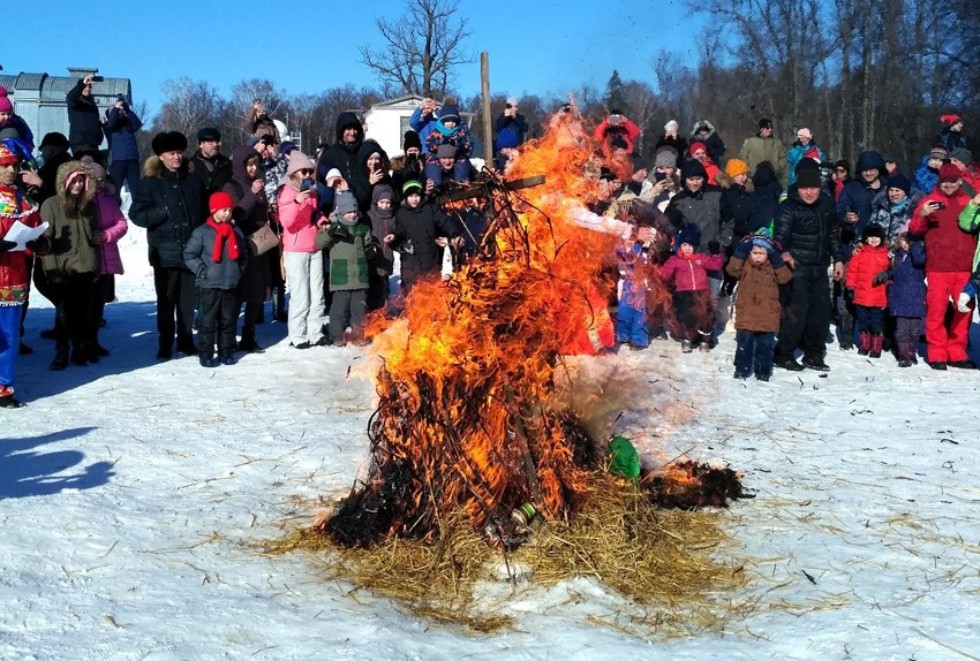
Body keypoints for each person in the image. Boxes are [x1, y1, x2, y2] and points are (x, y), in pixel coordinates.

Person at [129, 131, 207, 361]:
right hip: (164, 253)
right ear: (161, 156)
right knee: (166, 302)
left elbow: (202, 212)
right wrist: (161, 213)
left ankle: (185, 341)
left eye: (179, 152)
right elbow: (136, 214)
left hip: (191, 251)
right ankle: (165, 343)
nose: (177, 157)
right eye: (172, 153)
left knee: (187, 302)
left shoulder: (193, 180)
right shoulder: (150, 183)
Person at [772, 167, 844, 371]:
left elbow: (832, 236)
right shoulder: (788, 208)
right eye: (805, 188)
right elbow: (779, 238)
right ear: (798, 188)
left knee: (820, 313)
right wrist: (784, 253)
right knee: (796, 313)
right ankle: (783, 354)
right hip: (797, 268)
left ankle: (814, 354)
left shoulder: (827, 205)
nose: (809, 192)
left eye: (813, 188)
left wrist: (838, 259)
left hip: (819, 266)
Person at [907, 163, 976, 369]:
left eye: (952, 181)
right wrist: (921, 215)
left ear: (960, 181)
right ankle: (937, 353)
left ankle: (957, 351)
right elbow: (915, 231)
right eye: (944, 182)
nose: (948, 185)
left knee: (964, 310)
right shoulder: (929, 201)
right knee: (936, 310)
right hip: (938, 267)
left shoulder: (969, 201)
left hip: (965, 266)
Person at [38, 162, 101, 369]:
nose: (78, 184)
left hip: (86, 267)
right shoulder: (51, 205)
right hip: (63, 268)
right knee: (64, 313)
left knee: (84, 312)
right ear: (65, 181)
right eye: (74, 180)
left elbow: (94, 236)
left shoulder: (89, 205)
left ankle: (80, 348)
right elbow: (45, 240)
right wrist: (51, 269)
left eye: (81, 180)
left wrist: (96, 264)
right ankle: (61, 351)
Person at [0, 142, 43, 407]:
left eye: (14, 165)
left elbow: (36, 229)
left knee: (10, 334)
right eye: (5, 166)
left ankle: (4, 386)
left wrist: (39, 243)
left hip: (14, 278)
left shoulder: (23, 199)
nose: (11, 170)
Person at [183, 192, 247, 367]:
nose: (227, 213)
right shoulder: (203, 232)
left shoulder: (236, 231)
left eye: (229, 210)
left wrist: (239, 270)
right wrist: (202, 271)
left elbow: (244, 254)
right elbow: (189, 255)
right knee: (207, 321)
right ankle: (206, 353)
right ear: (213, 210)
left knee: (228, 321)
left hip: (231, 284)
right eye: (223, 210)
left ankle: (226, 352)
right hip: (210, 284)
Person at [223, 145, 271, 353]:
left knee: (256, 293)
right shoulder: (231, 186)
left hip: (259, 244)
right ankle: (229, 336)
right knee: (237, 292)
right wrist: (252, 194)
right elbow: (237, 214)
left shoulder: (258, 184)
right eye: (249, 165)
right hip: (240, 245)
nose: (253, 169)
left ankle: (249, 335)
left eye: (255, 165)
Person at [279, 150, 328, 349]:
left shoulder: (313, 192)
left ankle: (315, 332)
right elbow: (287, 222)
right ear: (293, 173)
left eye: (309, 171)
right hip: (295, 249)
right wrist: (298, 201)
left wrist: (321, 219)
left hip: (314, 245)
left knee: (317, 292)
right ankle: (297, 334)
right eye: (303, 171)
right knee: (300, 294)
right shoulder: (287, 192)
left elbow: (314, 213)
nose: (307, 175)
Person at [726, 233, 792, 380]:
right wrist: (740, 253)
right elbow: (732, 270)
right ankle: (741, 369)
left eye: (762, 253)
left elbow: (785, 278)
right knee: (744, 344)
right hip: (747, 312)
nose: (758, 256)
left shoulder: (773, 266)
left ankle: (763, 371)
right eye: (754, 252)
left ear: (769, 254)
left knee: (765, 346)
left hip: (768, 313)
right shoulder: (745, 265)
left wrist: (777, 261)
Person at [384, 180, 463, 296]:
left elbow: (444, 221)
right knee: (412, 293)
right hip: (410, 260)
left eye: (417, 196)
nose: (414, 199)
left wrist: (455, 233)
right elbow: (400, 229)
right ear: (406, 197)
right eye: (411, 196)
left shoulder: (430, 209)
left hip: (429, 256)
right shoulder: (401, 213)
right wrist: (394, 235)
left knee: (431, 292)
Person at [321, 191, 376, 346]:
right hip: (341, 276)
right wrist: (330, 232)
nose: (352, 215)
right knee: (339, 309)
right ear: (340, 212)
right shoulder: (333, 227)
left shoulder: (362, 228)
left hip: (360, 276)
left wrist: (372, 250)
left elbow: (368, 246)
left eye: (354, 212)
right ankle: (337, 336)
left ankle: (359, 336)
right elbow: (319, 242)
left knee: (359, 309)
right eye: (348, 212)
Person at [659, 223, 724, 353]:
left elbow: (715, 265)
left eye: (690, 245)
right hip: (683, 293)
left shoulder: (700, 258)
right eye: (684, 245)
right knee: (686, 316)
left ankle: (704, 340)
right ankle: (687, 339)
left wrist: (716, 253)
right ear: (679, 246)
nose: (687, 248)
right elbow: (664, 274)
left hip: (702, 292)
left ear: (695, 246)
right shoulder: (675, 260)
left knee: (706, 316)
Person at [87, 163, 127, 356]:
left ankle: (93, 341)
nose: (100, 184)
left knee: (97, 305)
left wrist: (107, 235)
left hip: (105, 259)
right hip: (85, 261)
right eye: (96, 180)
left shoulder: (109, 200)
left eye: (103, 180)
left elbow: (122, 223)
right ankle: (80, 342)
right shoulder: (79, 200)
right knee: (84, 305)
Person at [875, 233, 926, 367]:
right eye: (903, 241)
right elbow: (893, 272)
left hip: (915, 298)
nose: (905, 244)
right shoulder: (897, 257)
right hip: (900, 298)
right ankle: (903, 355)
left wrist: (915, 246)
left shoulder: (918, 256)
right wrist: (885, 274)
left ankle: (911, 352)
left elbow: (920, 260)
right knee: (902, 329)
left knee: (915, 330)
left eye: (908, 242)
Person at [844, 225, 891, 358]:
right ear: (865, 238)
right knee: (863, 321)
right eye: (870, 237)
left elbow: (891, 273)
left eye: (877, 237)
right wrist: (850, 287)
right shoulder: (860, 254)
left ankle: (876, 347)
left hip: (878, 297)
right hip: (861, 296)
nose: (873, 239)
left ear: (881, 239)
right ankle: (865, 345)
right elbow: (852, 272)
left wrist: (887, 281)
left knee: (876, 323)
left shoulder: (886, 255)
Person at [423, 104, 473, 189]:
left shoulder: (460, 132)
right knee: (431, 162)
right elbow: (428, 143)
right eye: (448, 121)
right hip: (438, 155)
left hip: (456, 155)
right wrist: (438, 142)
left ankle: (460, 183)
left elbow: (467, 145)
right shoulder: (436, 132)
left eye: (454, 122)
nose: (451, 124)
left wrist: (458, 144)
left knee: (463, 161)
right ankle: (435, 185)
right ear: (443, 121)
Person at [102, 94, 142, 195]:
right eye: (115, 111)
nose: (118, 112)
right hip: (117, 161)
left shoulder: (129, 125)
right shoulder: (108, 127)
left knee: (137, 190)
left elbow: (138, 124)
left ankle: (137, 209)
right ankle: (113, 209)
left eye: (119, 111)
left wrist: (127, 110)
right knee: (115, 190)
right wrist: (115, 108)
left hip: (132, 160)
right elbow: (111, 124)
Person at [367, 184, 396, 312]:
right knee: (373, 286)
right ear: (376, 201)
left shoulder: (393, 217)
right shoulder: (370, 216)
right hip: (373, 258)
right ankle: (372, 311)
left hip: (387, 256)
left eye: (387, 203)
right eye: (382, 202)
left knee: (384, 285)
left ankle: (383, 310)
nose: (384, 206)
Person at [869, 173, 916, 246]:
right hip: (880, 252)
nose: (893, 194)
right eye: (891, 190)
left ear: (905, 192)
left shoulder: (911, 211)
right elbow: (869, 230)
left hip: (900, 253)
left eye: (897, 190)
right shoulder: (880, 209)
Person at [739, 118, 787, 186]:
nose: (770, 130)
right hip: (753, 178)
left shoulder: (777, 143)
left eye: (771, 128)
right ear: (761, 129)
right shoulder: (750, 142)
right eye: (767, 127)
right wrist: (747, 174)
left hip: (772, 178)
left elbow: (783, 159)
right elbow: (743, 158)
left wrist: (777, 168)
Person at [65, 74, 104, 157]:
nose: (88, 89)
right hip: (80, 143)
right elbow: (71, 97)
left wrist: (100, 124)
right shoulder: (75, 103)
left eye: (89, 87)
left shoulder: (92, 105)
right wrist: (83, 83)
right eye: (85, 87)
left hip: (93, 142)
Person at [188, 127, 232, 196]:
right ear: (201, 144)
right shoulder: (190, 166)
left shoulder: (227, 164)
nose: (215, 145)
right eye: (210, 142)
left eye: (217, 141)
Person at [0, 86, 35, 153]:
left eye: (9, 114)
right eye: (3, 114)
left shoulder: (17, 121)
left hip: (18, 150)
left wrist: (28, 146)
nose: (7, 117)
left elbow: (27, 134)